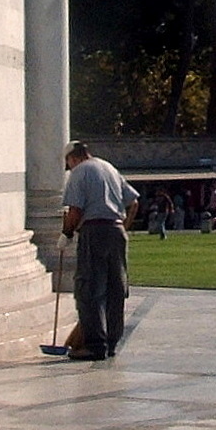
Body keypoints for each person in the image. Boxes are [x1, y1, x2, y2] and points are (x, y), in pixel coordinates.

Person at [61, 141, 139, 361]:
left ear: (72, 159)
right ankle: (112, 342)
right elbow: (133, 203)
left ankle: (95, 345)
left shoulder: (79, 173)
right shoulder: (109, 168)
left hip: (94, 231)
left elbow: (76, 209)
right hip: (116, 231)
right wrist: (123, 227)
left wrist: (66, 233)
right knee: (116, 289)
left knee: (89, 288)